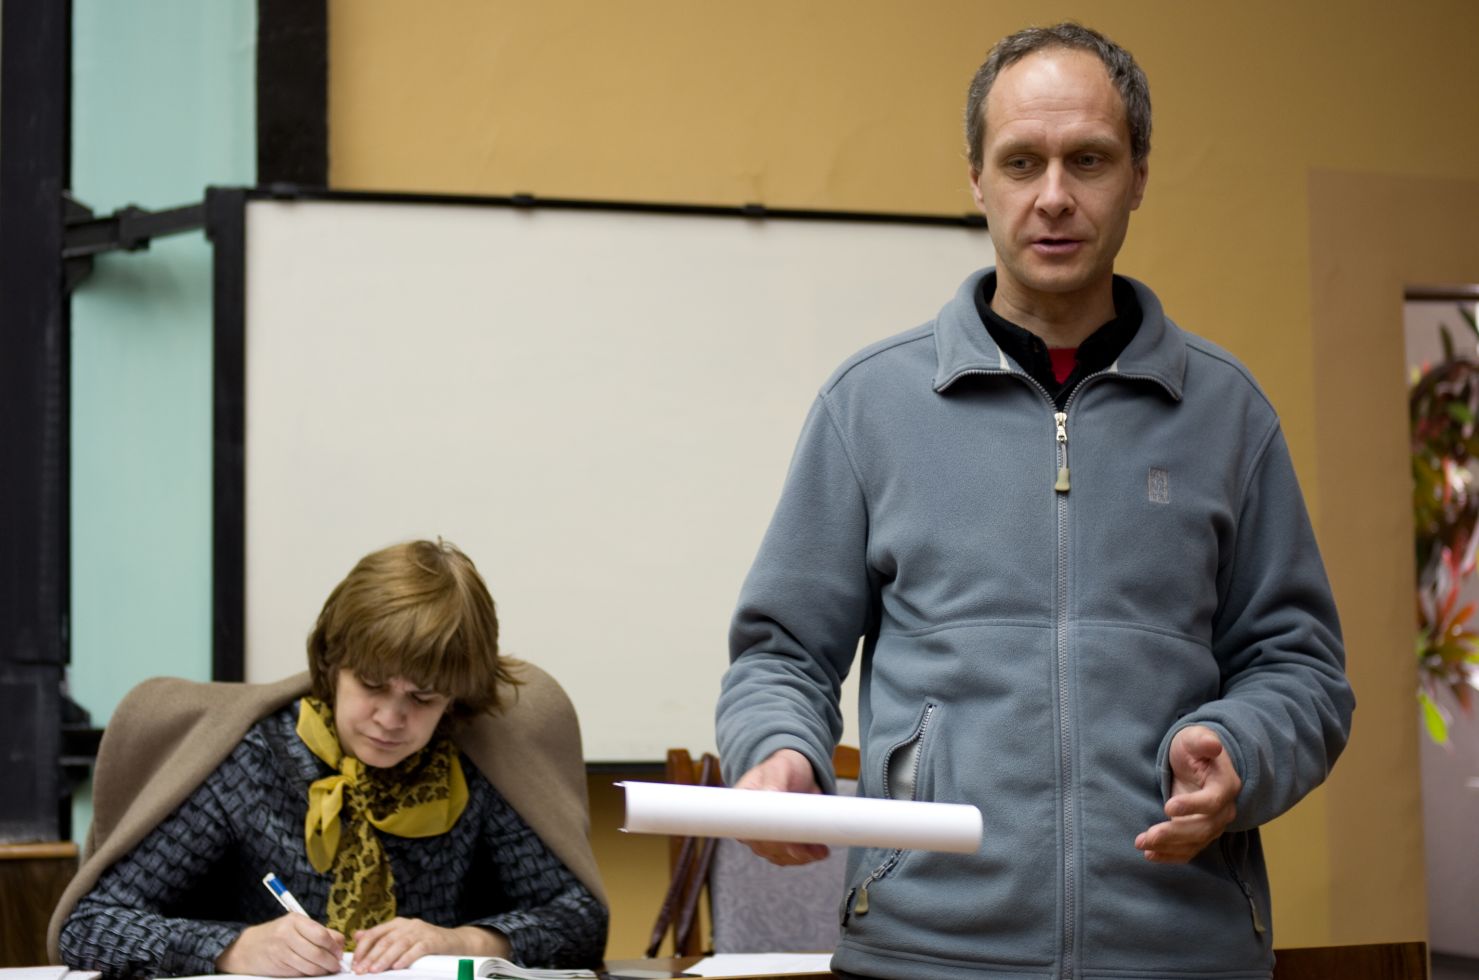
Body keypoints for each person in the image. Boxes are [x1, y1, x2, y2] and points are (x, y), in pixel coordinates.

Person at [715, 22, 1355, 980]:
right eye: (1021, 162)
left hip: (1180, 954)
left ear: (1137, 176)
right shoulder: (869, 407)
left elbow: (1299, 668)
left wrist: (1241, 749)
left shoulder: (1229, 415)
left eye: (1087, 160)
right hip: (922, 955)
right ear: (977, 178)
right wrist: (777, 748)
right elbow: (782, 653)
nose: (1053, 195)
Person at [51, 539, 607, 979]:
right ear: (332, 663)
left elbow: (579, 920)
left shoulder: (473, 764)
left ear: (456, 700)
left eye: (422, 698)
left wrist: (467, 941)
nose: (390, 718)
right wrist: (234, 947)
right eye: (372, 685)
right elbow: (91, 923)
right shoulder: (254, 760)